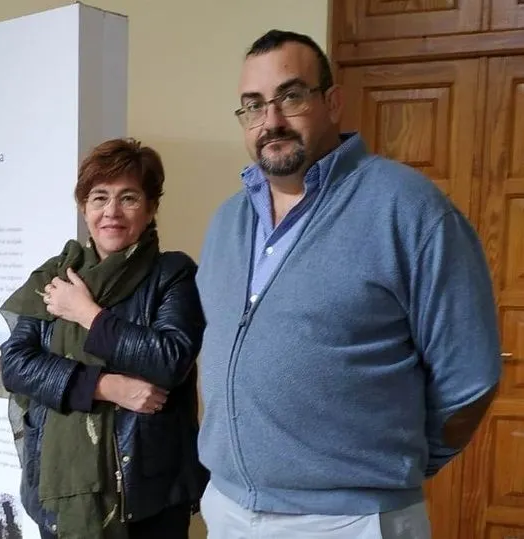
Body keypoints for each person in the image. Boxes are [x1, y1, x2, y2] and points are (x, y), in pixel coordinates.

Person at [194, 29, 503, 538]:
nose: (270, 122)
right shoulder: (229, 220)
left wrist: (387, 471)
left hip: (349, 520)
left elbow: (470, 380)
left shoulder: (408, 209)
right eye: (252, 106)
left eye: (290, 97)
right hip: (228, 508)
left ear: (332, 101)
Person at [0, 137, 208, 539]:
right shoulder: (55, 277)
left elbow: (171, 359)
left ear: (150, 209)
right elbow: (15, 365)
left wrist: (87, 314)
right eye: (99, 198)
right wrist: (104, 386)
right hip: (61, 495)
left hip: (148, 497)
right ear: (84, 207)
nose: (111, 212)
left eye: (128, 198)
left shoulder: (172, 274)